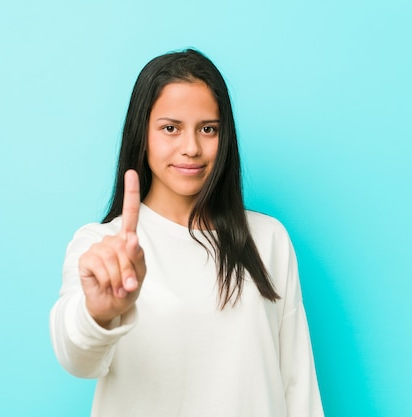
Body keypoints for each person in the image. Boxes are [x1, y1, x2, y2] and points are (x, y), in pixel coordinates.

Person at [50, 48, 324, 417]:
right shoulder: (103, 247)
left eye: (208, 129)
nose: (192, 148)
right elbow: (77, 358)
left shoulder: (268, 239)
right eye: (170, 128)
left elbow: (298, 384)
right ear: (141, 134)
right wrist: (98, 315)